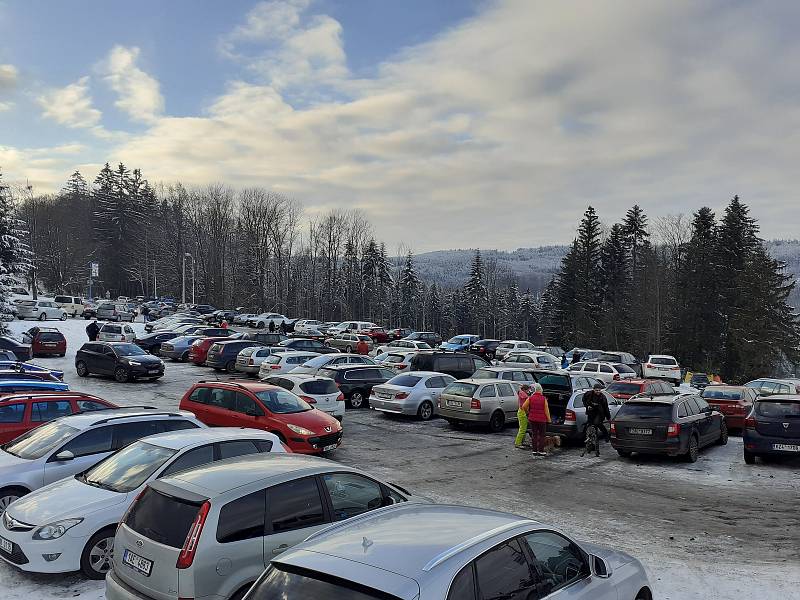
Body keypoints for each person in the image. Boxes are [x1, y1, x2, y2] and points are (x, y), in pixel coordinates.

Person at [526, 383, 551, 455]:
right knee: (542, 435)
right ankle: (541, 450)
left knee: (534, 434)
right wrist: (549, 420)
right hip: (542, 420)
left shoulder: (530, 398)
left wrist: (528, 412)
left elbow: (524, 406)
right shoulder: (544, 399)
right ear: (541, 390)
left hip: (532, 419)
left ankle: (534, 450)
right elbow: (547, 411)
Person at [514, 384, 531, 449]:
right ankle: (518, 443)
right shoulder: (522, 394)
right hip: (522, 413)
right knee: (522, 429)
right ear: (524, 389)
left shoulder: (522, 393)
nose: (528, 391)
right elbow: (526, 397)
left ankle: (521, 441)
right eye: (527, 390)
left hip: (521, 412)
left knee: (523, 428)